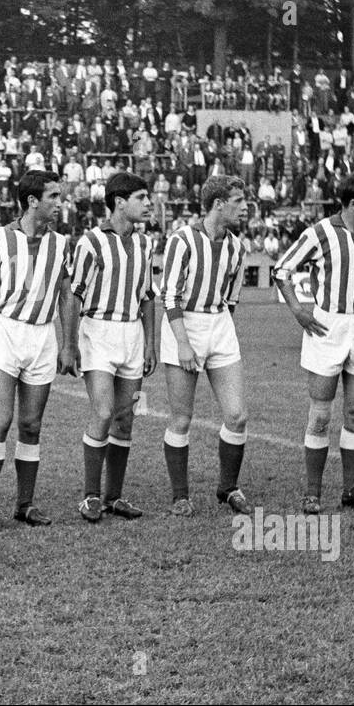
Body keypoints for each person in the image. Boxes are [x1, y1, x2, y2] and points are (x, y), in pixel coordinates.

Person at [274, 172, 354, 515]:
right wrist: (298, 310)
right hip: (328, 327)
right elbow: (282, 270)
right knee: (321, 414)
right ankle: (312, 493)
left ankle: (352, 490)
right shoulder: (320, 233)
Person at [0, 169, 79, 531]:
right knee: (0, 420)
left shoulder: (62, 244)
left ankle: (25, 504)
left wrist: (68, 345)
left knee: (31, 425)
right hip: (5, 330)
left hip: (42, 336)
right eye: (53, 197)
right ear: (33, 201)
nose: (59, 203)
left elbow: (66, 295)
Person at [160, 176, 251, 516]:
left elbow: (232, 299)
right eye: (238, 200)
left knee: (237, 415)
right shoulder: (182, 239)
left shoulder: (237, 248)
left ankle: (228, 487)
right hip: (183, 324)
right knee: (182, 418)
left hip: (219, 322)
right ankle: (180, 495)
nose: (244, 207)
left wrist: (221, 330)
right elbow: (169, 294)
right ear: (217, 204)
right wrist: (183, 343)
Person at [71, 172, 157, 523]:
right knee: (103, 411)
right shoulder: (90, 242)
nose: (148, 203)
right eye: (141, 197)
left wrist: (151, 343)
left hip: (132, 334)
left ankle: (114, 497)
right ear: (119, 201)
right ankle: (90, 496)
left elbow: (149, 297)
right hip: (97, 332)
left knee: (125, 419)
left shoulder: (146, 244)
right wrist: (68, 343)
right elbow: (73, 294)